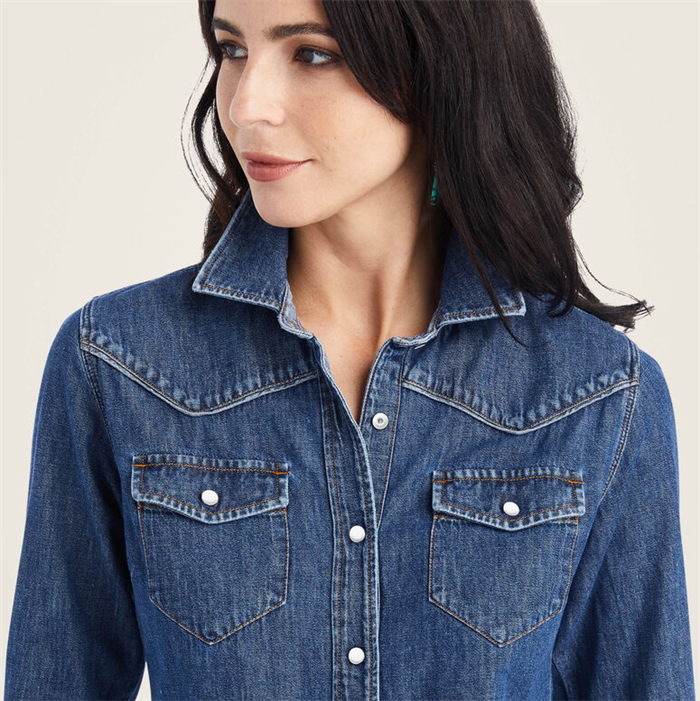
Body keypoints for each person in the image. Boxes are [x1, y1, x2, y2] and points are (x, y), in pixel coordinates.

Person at [4, 0, 695, 699]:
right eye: (232, 50)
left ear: (436, 66)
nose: (246, 107)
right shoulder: (116, 365)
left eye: (312, 54)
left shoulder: (602, 396)